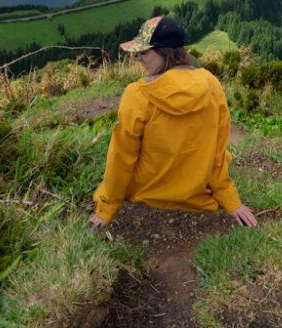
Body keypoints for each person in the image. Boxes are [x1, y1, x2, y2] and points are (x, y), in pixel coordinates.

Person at [90, 15, 258, 227]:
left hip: (146, 192)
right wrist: (230, 200)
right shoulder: (212, 85)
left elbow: (121, 156)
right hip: (196, 194)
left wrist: (106, 208)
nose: (137, 59)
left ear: (164, 52)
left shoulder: (137, 94)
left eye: (144, 53)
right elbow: (218, 151)